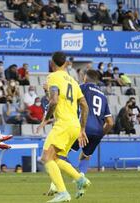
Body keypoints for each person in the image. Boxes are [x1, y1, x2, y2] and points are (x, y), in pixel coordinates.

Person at [47, 69, 114, 197]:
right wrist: (100, 134)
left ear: (85, 78)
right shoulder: (103, 96)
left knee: (58, 154)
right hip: (98, 130)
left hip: (81, 127)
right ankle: (81, 179)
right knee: (85, 155)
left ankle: (65, 182)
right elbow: (110, 122)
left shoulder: (80, 88)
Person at [36, 52, 90, 202]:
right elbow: (85, 105)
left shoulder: (53, 77)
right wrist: (82, 129)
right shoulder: (73, 81)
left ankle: (62, 193)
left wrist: (45, 119)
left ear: (52, 64)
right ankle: (80, 179)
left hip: (63, 124)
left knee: (46, 158)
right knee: (56, 158)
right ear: (65, 63)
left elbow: (53, 101)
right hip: (74, 125)